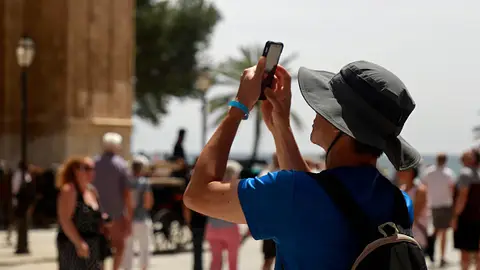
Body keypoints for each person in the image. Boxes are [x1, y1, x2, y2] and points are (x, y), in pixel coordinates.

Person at [184, 58, 421, 269]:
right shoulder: (399, 202)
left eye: (327, 106)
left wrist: (238, 108)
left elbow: (197, 194)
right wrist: (281, 127)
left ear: (344, 128)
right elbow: (324, 197)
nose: (317, 112)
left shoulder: (292, 193)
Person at [57, 157, 107, 270]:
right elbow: (65, 219)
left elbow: (97, 214)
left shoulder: (92, 190)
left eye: (93, 168)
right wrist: (79, 243)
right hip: (73, 245)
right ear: (76, 170)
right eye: (87, 168)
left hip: (94, 244)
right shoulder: (69, 190)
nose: (91, 172)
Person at [93, 132, 133, 270]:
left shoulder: (94, 163)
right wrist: (128, 215)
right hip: (116, 213)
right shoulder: (121, 165)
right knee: (119, 246)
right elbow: (126, 193)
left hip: (96, 212)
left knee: (100, 248)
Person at [205, 160, 243, 270]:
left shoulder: (212, 187)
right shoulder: (236, 189)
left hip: (212, 228)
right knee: (233, 262)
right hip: (230, 228)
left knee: (215, 260)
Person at [421, 153, 455, 266]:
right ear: (445, 161)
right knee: (443, 232)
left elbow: (423, 185)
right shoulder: (448, 173)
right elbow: (452, 189)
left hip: (433, 205)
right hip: (445, 205)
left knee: (436, 231)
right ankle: (441, 257)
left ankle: (430, 252)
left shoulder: (429, 172)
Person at [122, 155, 154, 270]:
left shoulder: (127, 182)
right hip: (142, 219)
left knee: (128, 250)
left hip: (128, 219)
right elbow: (147, 203)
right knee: (144, 248)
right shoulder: (145, 183)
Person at [452, 149, 480, 270]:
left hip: (467, 217)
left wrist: (455, 217)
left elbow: (462, 197)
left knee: (465, 254)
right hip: (478, 216)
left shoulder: (465, 173)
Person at [183, 157, 208, 270]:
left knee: (197, 248)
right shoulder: (206, 177)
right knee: (200, 248)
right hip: (203, 217)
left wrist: (187, 220)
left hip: (195, 217)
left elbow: (186, 202)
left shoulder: (189, 178)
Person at [398, 167, 429, 250]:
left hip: (417, 236)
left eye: (403, 171)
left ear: (411, 173)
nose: (400, 173)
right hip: (403, 236)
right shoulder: (401, 190)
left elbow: (414, 215)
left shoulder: (420, 190)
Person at [258, 153, 280, 270]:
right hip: (277, 222)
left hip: (271, 221)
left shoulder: (266, 174)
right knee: (269, 259)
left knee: (268, 259)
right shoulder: (267, 173)